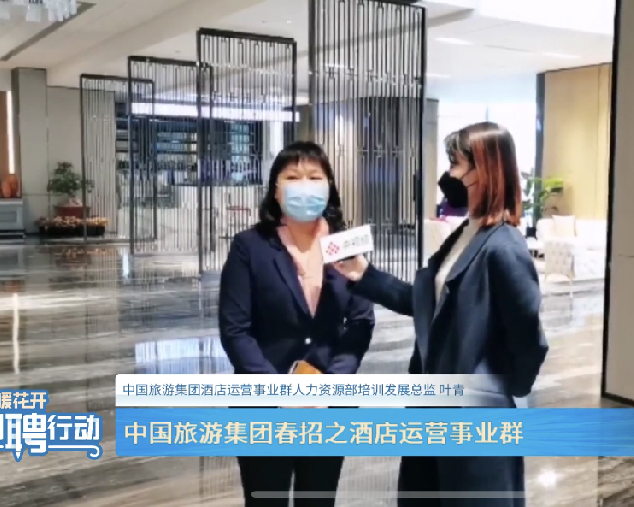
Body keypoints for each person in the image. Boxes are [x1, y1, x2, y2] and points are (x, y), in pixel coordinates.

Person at [334, 122, 548, 507]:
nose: (449, 174)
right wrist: (364, 275)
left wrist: (499, 392)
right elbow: (425, 303)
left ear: (485, 170)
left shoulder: (504, 247)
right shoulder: (466, 233)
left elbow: (528, 339)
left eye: (457, 163)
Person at [218, 141, 376, 507]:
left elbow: (361, 321)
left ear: (329, 186)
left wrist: (331, 383)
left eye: (314, 177)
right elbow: (235, 329)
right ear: (276, 190)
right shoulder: (250, 246)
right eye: (293, 177)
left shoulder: (345, 244)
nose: (304, 185)